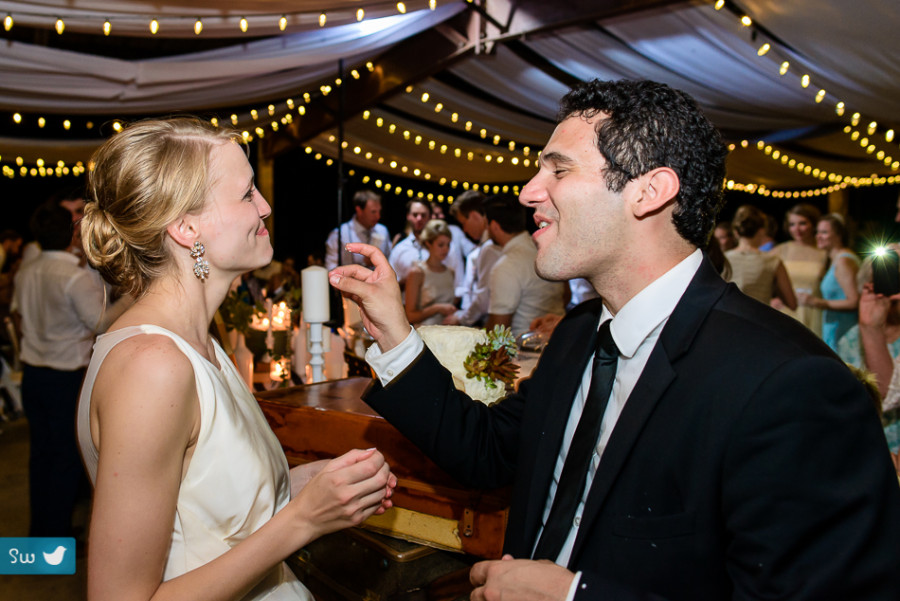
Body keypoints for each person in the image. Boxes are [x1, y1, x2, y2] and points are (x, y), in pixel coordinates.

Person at [328, 79, 900, 600]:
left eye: (559, 170)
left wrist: (576, 597)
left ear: (648, 192)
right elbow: (486, 452)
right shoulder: (583, 334)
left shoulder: (790, 384)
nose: (529, 192)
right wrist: (394, 331)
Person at [77, 118, 395, 601]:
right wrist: (303, 520)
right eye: (247, 194)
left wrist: (312, 484)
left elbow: (202, 503)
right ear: (186, 229)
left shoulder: (199, 344)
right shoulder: (152, 367)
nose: (265, 207)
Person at [10, 202, 124, 537]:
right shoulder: (73, 277)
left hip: (34, 374)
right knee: (65, 459)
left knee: (41, 456)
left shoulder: (26, 271)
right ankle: (56, 537)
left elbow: (18, 319)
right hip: (66, 377)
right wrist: (131, 299)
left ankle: (39, 535)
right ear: (69, 234)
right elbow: (100, 322)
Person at [482, 194, 566, 338]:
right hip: (558, 339)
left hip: (524, 350)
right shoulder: (546, 249)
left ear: (494, 226)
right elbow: (566, 295)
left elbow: (498, 330)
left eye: (487, 225)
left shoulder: (506, 265)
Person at [799, 213, 860, 351]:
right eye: (818, 232)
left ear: (839, 235)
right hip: (834, 326)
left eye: (824, 232)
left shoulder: (844, 261)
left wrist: (817, 302)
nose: (818, 236)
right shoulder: (835, 260)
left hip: (844, 330)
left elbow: (854, 301)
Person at [444, 191, 503, 326]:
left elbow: (483, 298)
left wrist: (461, 319)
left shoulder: (491, 248)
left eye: (463, 223)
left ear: (475, 216)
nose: (464, 230)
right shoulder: (485, 247)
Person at [769, 203, 827, 335]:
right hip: (785, 312)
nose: (797, 229)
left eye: (802, 223)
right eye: (792, 224)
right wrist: (772, 298)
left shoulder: (824, 252)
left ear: (813, 224)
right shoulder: (780, 251)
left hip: (814, 312)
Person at [725, 204, 796, 308]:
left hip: (728, 320)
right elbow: (792, 303)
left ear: (735, 232)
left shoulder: (723, 259)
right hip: (758, 320)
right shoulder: (772, 261)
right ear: (762, 230)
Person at [404, 219, 456, 326]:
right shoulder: (417, 272)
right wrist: (437, 308)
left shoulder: (450, 272)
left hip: (447, 334)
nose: (446, 249)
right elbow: (410, 316)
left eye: (448, 245)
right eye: (441, 245)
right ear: (428, 243)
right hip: (425, 336)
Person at [324, 190, 392, 271]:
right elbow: (330, 268)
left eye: (379, 211)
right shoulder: (339, 234)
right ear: (359, 210)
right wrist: (363, 264)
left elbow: (390, 260)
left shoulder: (383, 230)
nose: (378, 216)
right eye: (373, 212)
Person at [388, 199, 432, 285]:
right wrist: (405, 281)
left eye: (423, 215)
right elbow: (390, 282)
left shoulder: (439, 247)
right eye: (415, 215)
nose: (419, 218)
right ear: (408, 216)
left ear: (430, 217)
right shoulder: (399, 249)